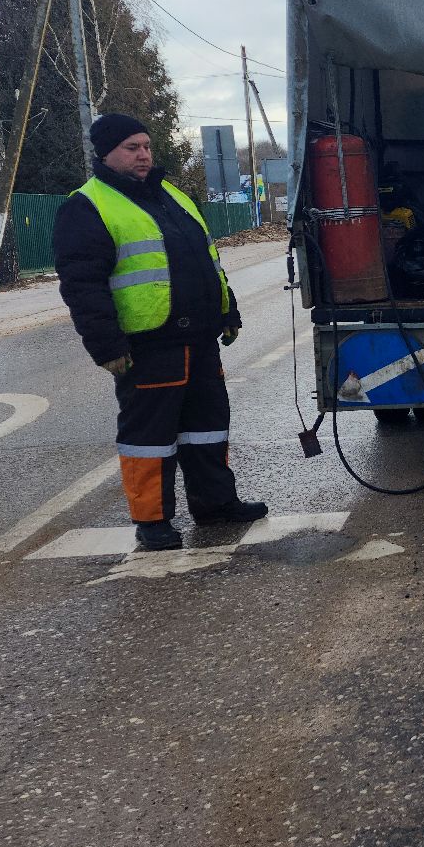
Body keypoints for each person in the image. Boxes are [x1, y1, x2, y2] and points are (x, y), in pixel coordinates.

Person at [54, 113, 267, 552]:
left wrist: (227, 311)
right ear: (106, 152)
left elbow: (208, 261)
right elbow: (83, 286)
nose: (144, 155)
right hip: (146, 346)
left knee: (207, 428)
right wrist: (106, 346)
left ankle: (215, 504)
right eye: (132, 147)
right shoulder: (87, 206)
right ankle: (151, 520)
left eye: (147, 146)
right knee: (149, 438)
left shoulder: (173, 196)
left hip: (200, 341)